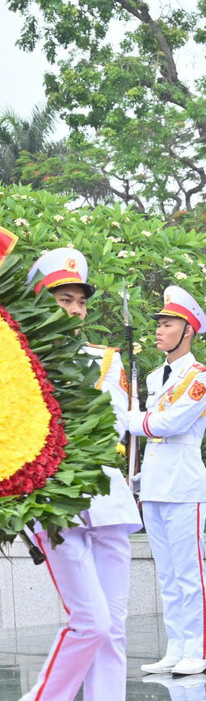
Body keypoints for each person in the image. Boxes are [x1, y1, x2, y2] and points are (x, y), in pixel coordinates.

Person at [12, 249, 155, 701]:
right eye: (61, 299)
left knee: (113, 631)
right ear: (37, 302)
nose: (73, 309)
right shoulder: (14, 358)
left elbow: (118, 423)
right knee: (89, 620)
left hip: (108, 496)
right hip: (53, 501)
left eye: (77, 300)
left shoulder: (106, 359)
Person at [126, 285, 206, 678]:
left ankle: (199, 649)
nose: (158, 329)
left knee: (191, 573)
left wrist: (128, 420)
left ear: (188, 330)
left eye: (168, 323)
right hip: (155, 485)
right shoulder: (158, 375)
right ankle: (177, 648)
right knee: (168, 575)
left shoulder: (199, 378)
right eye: (158, 323)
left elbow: (170, 424)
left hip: (185, 488)